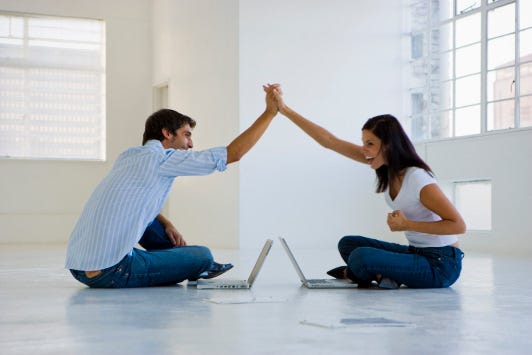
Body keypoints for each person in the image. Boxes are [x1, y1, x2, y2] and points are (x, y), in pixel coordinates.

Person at [65, 85, 279, 288]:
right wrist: (269, 113)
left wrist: (166, 223)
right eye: (187, 135)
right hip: (111, 270)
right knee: (202, 256)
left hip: (78, 266)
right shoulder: (162, 159)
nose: (191, 144)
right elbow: (233, 154)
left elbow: (129, 201)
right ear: (167, 133)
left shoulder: (129, 156)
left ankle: (180, 261)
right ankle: (193, 265)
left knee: (156, 227)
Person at [270, 85, 466, 289]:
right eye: (363, 143)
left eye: (370, 144)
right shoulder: (388, 169)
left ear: (389, 145)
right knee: (348, 244)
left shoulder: (417, 178)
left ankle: (360, 273)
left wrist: (408, 225)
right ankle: (383, 275)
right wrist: (284, 110)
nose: (364, 150)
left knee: (362, 257)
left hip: (441, 265)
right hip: (416, 252)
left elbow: (458, 225)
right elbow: (329, 141)